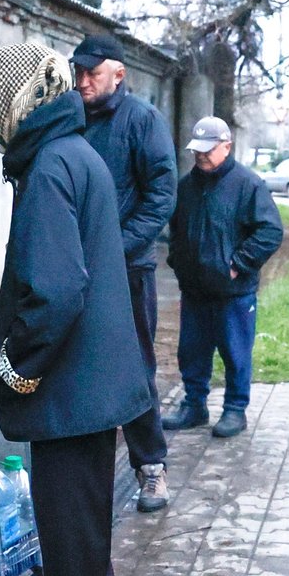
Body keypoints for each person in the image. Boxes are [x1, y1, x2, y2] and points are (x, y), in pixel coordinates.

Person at [0, 42, 152, 576]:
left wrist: (14, 368)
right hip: (90, 390)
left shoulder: (50, 164)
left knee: (72, 549)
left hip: (71, 395)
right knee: (82, 542)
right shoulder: (73, 152)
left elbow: (54, 294)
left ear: (15, 102)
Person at [71, 33, 177, 513]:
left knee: (134, 370)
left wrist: (117, 248)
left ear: (119, 74)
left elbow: (161, 196)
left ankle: (151, 468)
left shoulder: (142, 121)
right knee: (75, 369)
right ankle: (77, 476)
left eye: (93, 72)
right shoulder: (70, 118)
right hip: (74, 269)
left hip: (128, 271)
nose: (83, 80)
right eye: (79, 72)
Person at [162, 117, 283, 438]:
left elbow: (270, 231)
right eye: (196, 150)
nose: (200, 156)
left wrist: (238, 263)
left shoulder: (248, 185)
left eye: (207, 150)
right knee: (191, 352)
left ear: (226, 147)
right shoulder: (186, 187)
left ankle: (234, 410)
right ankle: (194, 406)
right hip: (195, 290)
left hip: (234, 292)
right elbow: (175, 230)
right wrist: (180, 262)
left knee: (235, 352)